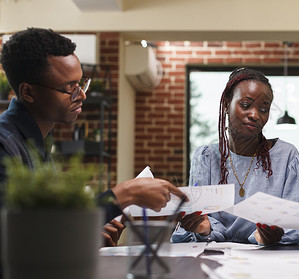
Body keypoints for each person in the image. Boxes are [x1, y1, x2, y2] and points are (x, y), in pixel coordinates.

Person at [0, 28, 188, 247]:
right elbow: (15, 237)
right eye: (69, 88)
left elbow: (47, 230)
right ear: (28, 93)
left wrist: (84, 235)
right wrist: (120, 196)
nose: (82, 95)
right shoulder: (5, 145)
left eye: (81, 84)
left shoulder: (38, 142)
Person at [172, 67, 299, 245]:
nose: (255, 115)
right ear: (226, 105)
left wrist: (264, 236)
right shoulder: (206, 157)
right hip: (216, 260)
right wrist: (204, 228)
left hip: (269, 261)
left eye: (263, 109)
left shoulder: (287, 157)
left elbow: (295, 224)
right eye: (245, 105)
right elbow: (200, 217)